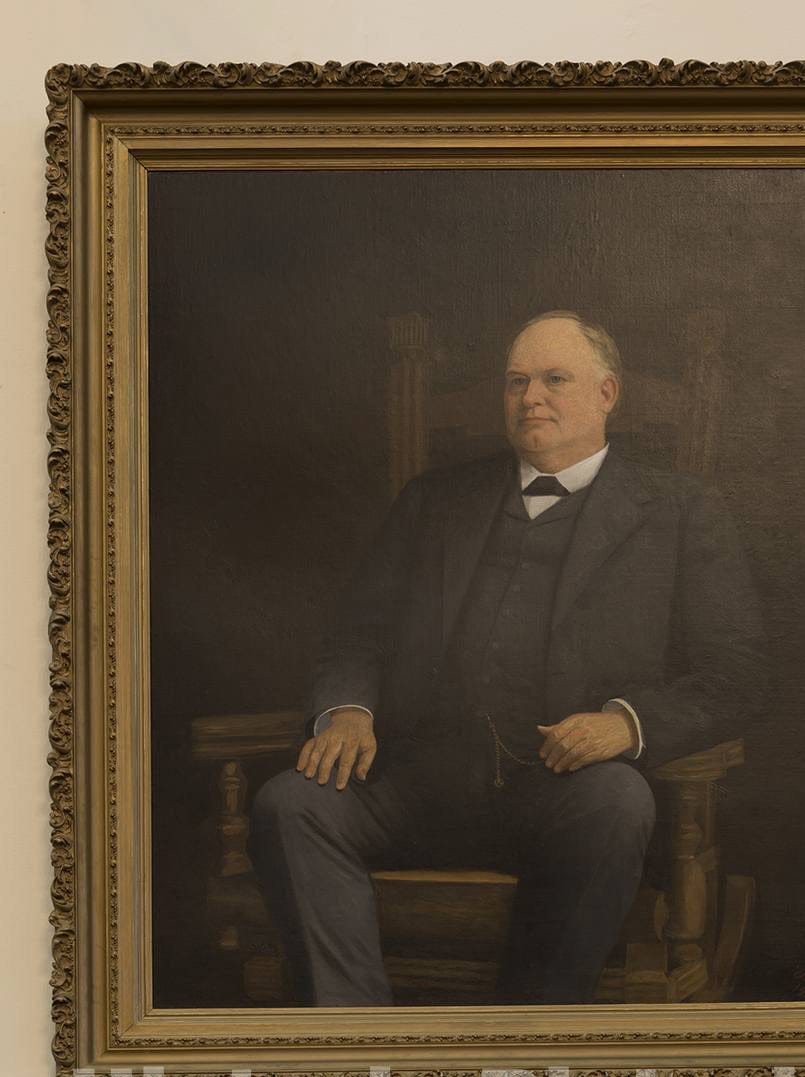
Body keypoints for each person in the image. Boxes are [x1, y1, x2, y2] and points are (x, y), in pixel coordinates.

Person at [249, 310, 765, 1007]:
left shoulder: (678, 509)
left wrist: (627, 722)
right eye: (516, 381)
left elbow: (734, 674)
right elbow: (356, 633)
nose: (530, 398)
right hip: (412, 781)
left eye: (554, 379)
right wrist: (346, 711)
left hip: (558, 792)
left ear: (606, 394)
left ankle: (525, 1047)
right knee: (290, 803)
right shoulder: (434, 500)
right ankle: (354, 1045)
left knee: (617, 800)